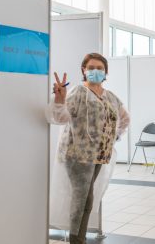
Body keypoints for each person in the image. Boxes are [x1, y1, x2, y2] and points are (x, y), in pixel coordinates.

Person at [46, 53, 130, 244]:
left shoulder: (109, 96)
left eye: (100, 68)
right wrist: (59, 100)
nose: (95, 71)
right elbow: (60, 118)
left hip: (98, 155)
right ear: (84, 70)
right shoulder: (78, 93)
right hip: (77, 155)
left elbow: (125, 118)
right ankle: (77, 240)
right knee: (82, 199)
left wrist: (112, 137)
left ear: (106, 72)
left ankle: (79, 238)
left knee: (88, 199)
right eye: (91, 67)